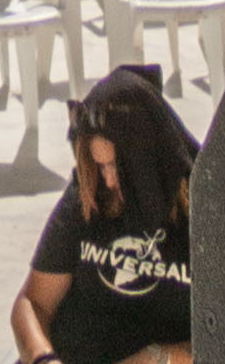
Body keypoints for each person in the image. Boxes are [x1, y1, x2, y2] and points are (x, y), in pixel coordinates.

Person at [11, 71, 196, 364]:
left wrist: (160, 357)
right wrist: (41, 356)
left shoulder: (203, 210)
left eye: (116, 167)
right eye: (99, 167)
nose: (108, 180)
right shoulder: (89, 194)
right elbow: (33, 303)